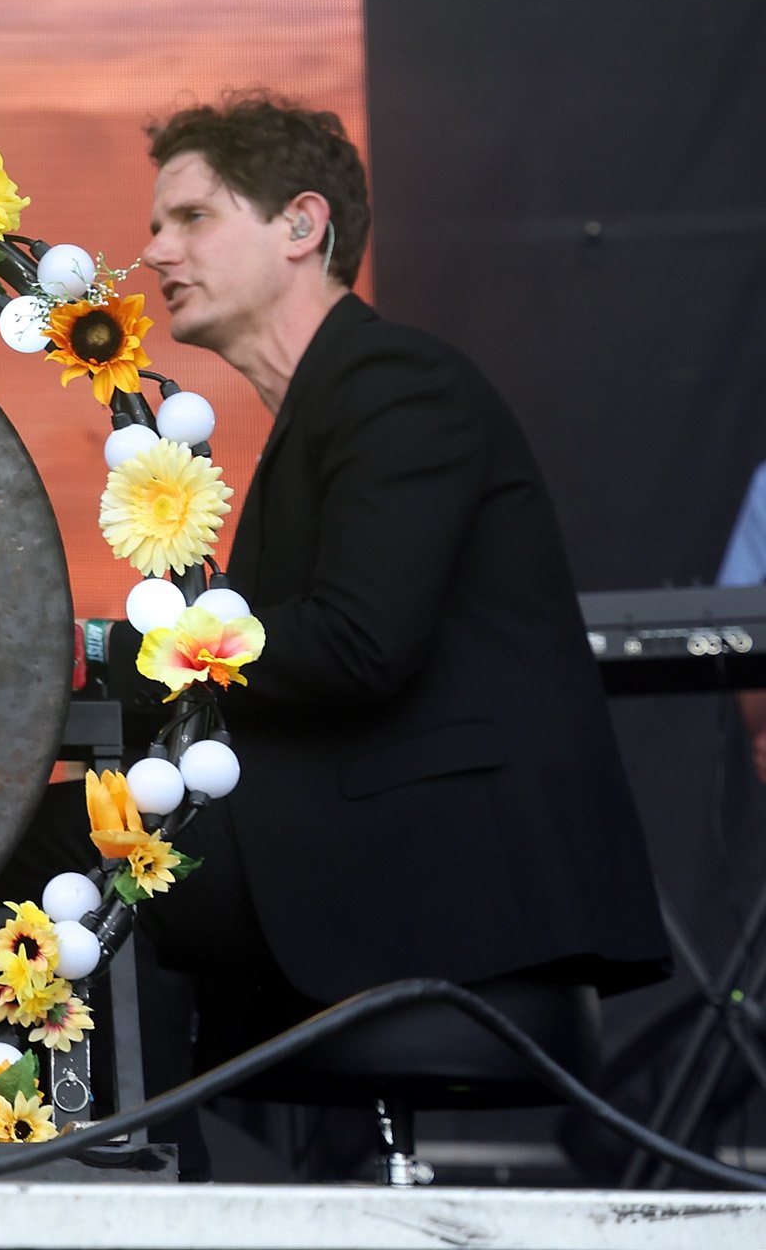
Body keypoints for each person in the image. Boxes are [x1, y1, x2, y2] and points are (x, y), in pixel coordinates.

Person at [101, 93, 662, 1066]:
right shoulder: (335, 401)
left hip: (443, 866)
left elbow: (357, 646)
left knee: (51, 862)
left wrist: (124, 652)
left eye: (191, 216)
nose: (155, 251)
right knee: (92, 857)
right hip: (366, 831)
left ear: (301, 226)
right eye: (158, 225)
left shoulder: (395, 383)